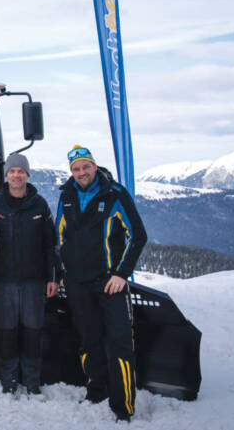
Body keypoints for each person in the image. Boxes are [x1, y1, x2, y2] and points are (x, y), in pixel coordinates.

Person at [55, 145, 147, 422]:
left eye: (85, 166)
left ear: (94, 166)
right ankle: (96, 391)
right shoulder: (67, 195)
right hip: (77, 284)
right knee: (88, 340)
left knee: (119, 344)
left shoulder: (114, 193)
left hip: (110, 283)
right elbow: (59, 235)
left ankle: (123, 407)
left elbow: (138, 236)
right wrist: (60, 272)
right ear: (71, 171)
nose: (82, 172)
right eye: (76, 168)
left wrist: (121, 274)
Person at [0, 153, 59, 397]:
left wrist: (52, 277)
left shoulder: (39, 205)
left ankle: (32, 381)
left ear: (27, 174)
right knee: (6, 331)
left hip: (34, 281)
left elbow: (50, 244)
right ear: (6, 175)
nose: (16, 175)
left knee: (32, 331)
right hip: (3, 280)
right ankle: (8, 381)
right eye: (12, 171)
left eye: (21, 171)